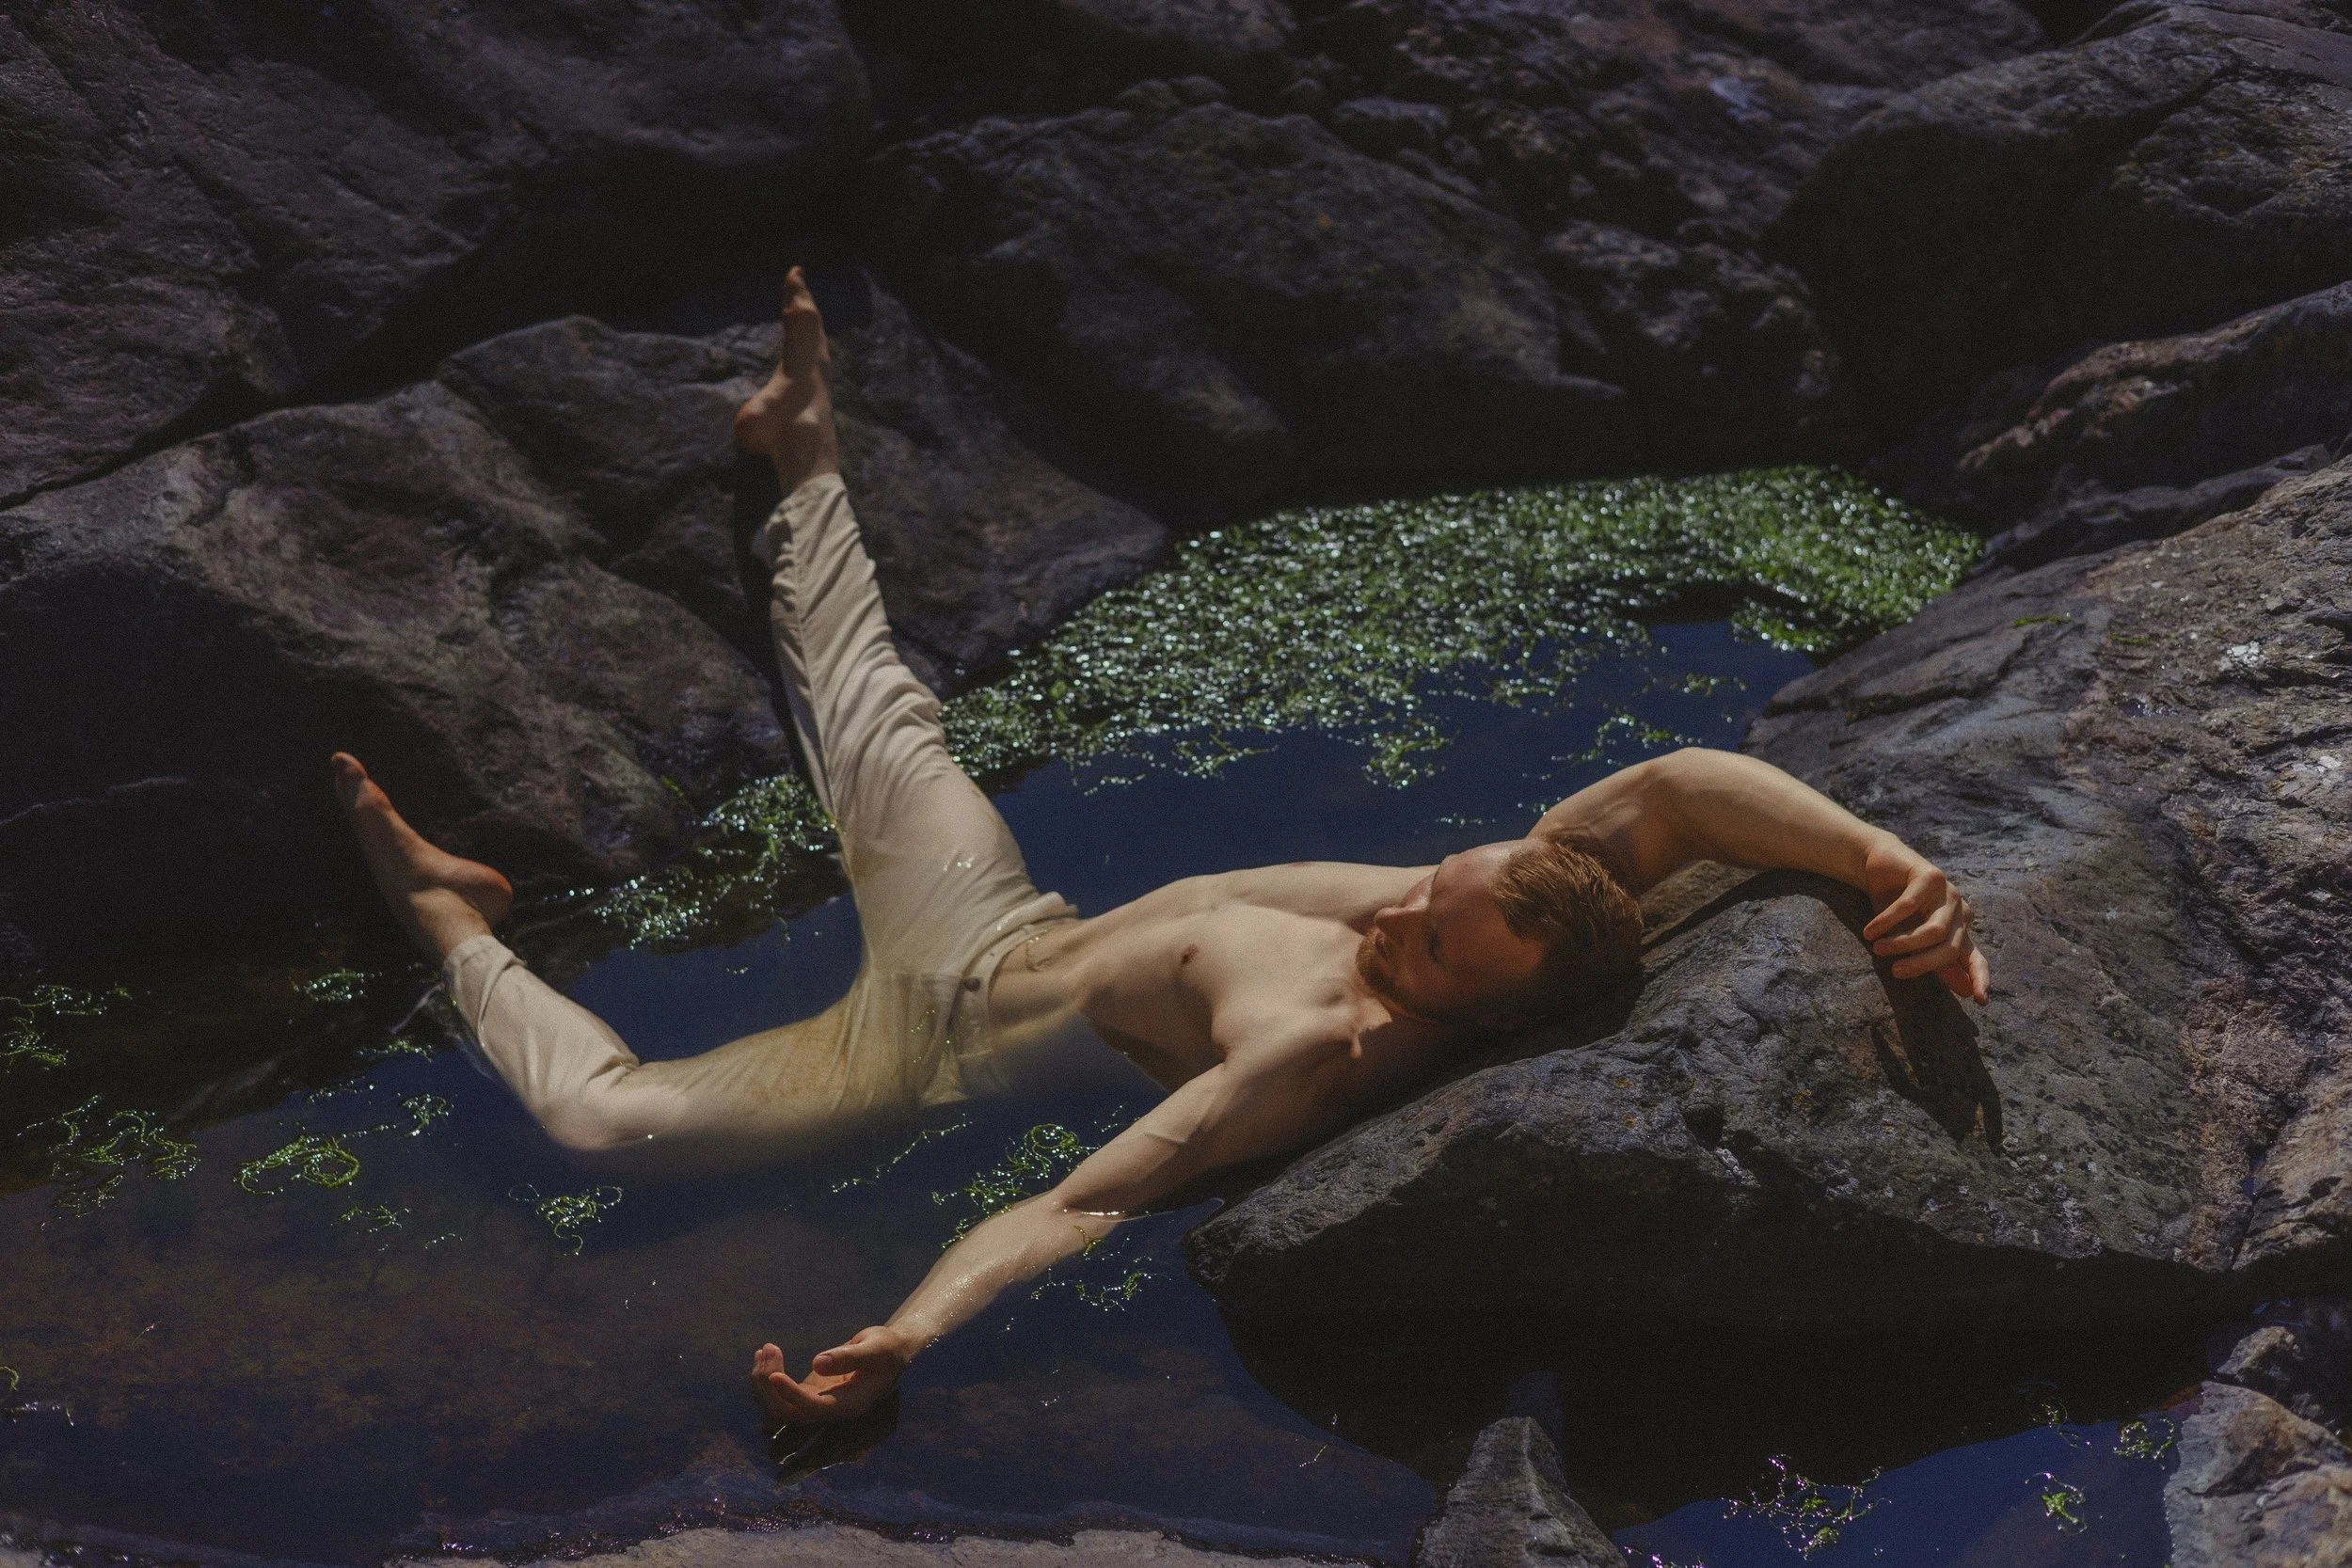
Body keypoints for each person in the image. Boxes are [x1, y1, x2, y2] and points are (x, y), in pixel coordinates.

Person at [331, 269, 1990, 1433]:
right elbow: (1690, 784)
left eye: (1425, 940)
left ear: (1476, 1013)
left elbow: (1077, 1203)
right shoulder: (1522, 892)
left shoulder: (1314, 1050)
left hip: (915, 1048)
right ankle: (805, 443)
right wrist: (1880, 863)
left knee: (598, 1122)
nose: (1400, 908)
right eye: (1431, 885)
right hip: (996, 915)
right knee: (870, 719)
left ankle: (449, 924)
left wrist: (909, 1327)